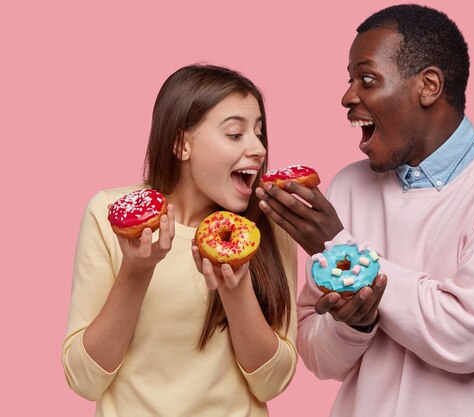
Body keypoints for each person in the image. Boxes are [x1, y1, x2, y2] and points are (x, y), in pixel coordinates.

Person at [256, 4, 474, 417]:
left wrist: (339, 247)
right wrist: (356, 324)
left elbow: (465, 335)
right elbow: (317, 355)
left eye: (366, 79)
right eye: (349, 80)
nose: (348, 97)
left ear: (429, 85)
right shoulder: (348, 186)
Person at [62, 64, 298, 417]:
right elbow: (84, 379)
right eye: (235, 134)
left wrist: (236, 291)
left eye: (259, 133)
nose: (258, 149)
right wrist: (136, 271)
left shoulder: (267, 226)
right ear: (181, 144)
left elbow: (272, 383)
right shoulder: (109, 213)